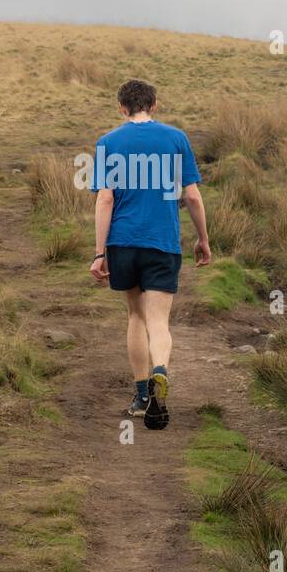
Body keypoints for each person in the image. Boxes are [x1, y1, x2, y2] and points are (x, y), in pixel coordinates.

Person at [89, 79, 210, 429]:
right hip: (163, 242)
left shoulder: (108, 143)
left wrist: (100, 253)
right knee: (159, 320)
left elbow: (105, 199)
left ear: (121, 107)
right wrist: (203, 239)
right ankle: (161, 371)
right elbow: (192, 197)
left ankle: (142, 396)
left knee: (136, 317)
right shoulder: (176, 139)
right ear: (154, 104)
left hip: (123, 242)